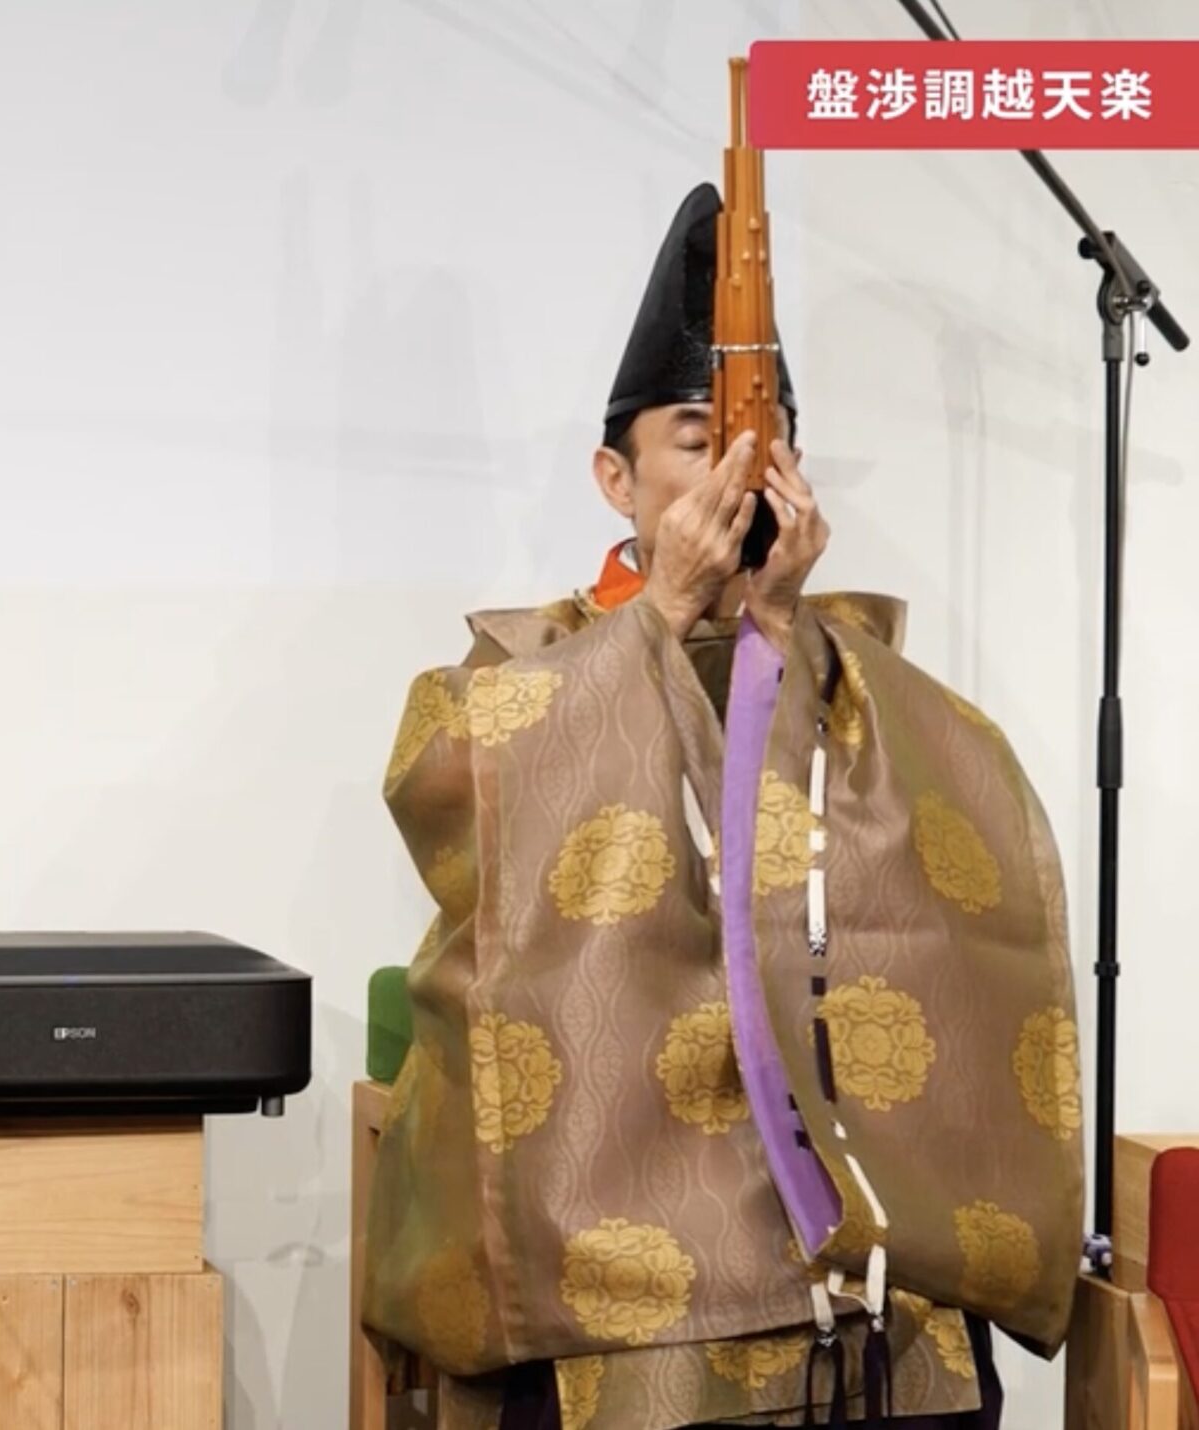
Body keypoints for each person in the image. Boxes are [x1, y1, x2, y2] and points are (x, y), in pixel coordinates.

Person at [360, 183, 1082, 1429]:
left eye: (766, 438)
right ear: (614, 476)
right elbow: (446, 798)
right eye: (699, 440)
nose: (739, 471)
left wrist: (778, 633)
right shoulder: (519, 665)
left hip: (844, 1213)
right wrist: (656, 621)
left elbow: (952, 886)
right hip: (616, 1211)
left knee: (927, 1338)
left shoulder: (853, 677)